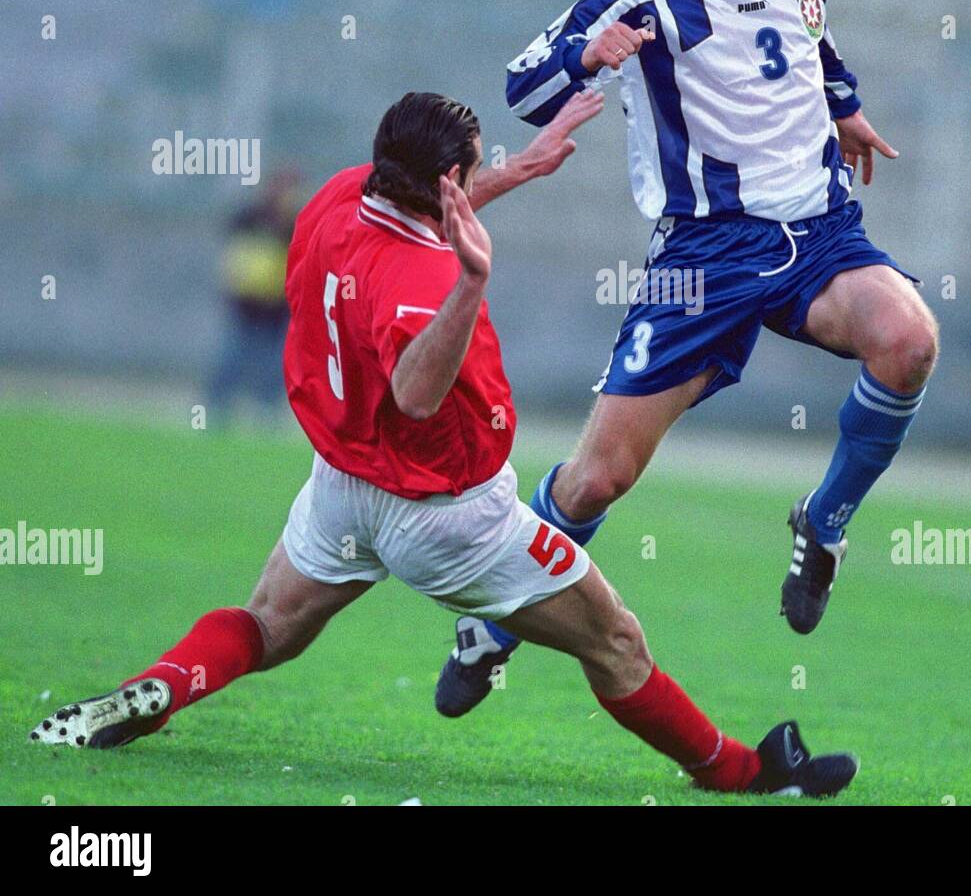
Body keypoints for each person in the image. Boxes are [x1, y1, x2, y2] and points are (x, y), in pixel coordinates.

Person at [29, 90, 858, 799]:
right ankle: (746, 774)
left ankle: (162, 688)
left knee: (265, 625)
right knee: (615, 644)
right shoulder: (429, 277)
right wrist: (471, 281)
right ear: (448, 179)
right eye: (476, 163)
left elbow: (433, 214)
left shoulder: (337, 196)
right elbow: (417, 392)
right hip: (448, 515)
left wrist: (520, 170)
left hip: (340, 485)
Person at [438, 0, 938, 716]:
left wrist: (845, 106)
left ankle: (822, 523)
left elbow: (812, 45)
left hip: (820, 232)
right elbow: (523, 83)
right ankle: (494, 623)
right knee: (598, 478)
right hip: (703, 256)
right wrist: (590, 54)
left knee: (909, 340)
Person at [205, 170, 300, 421]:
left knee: (272, 362)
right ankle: (218, 406)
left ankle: (266, 411)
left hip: (276, 306)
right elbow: (236, 254)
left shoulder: (292, 225)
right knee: (234, 356)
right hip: (246, 302)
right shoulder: (249, 217)